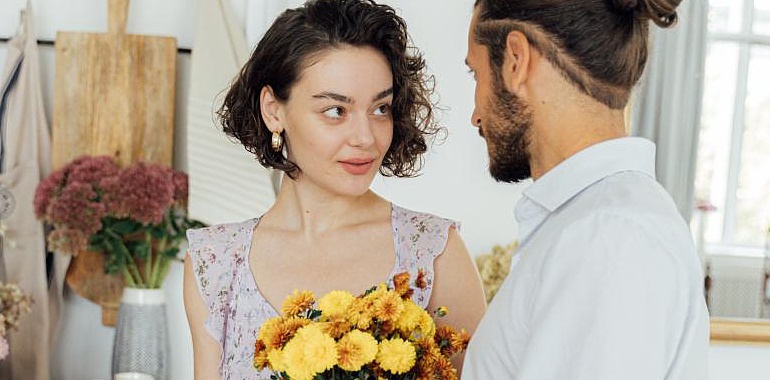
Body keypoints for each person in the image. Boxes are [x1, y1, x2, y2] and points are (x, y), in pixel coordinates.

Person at [183, 0, 487, 379]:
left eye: (380, 109)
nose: (365, 138)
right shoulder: (216, 263)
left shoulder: (433, 252)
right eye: (336, 111)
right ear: (273, 110)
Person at [461, 0, 709, 379]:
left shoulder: (608, 235)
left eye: (475, 75)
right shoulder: (597, 222)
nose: (475, 114)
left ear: (516, 60)